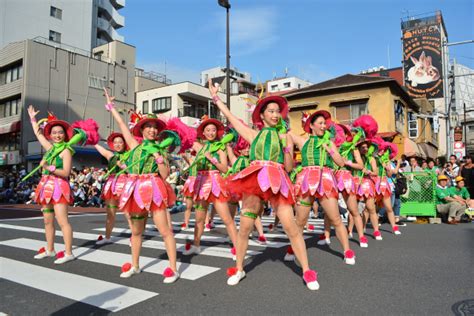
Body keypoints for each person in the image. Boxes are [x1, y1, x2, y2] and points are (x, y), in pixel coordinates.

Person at [208, 79, 320, 290]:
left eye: (278, 111)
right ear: (261, 114)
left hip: (278, 180)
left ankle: (307, 271)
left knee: (292, 227)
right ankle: (239, 268)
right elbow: (231, 118)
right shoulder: (253, 134)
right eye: (271, 111)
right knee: (245, 227)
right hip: (255, 180)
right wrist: (216, 97)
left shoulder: (284, 136)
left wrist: (288, 148)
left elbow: (288, 167)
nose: (276, 114)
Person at [104, 88, 179, 283]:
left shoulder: (161, 151)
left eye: (155, 127)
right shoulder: (135, 146)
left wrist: (159, 158)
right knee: (136, 232)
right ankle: (135, 265)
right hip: (135, 189)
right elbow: (121, 124)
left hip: (153, 188)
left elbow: (165, 175)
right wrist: (111, 106)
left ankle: (173, 267)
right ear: (142, 129)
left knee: (165, 231)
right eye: (148, 127)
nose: (152, 130)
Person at [291, 113, 356, 264]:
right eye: (319, 123)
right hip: (306, 180)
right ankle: (292, 249)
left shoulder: (329, 143)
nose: (323, 126)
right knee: (300, 221)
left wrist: (329, 149)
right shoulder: (302, 141)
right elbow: (284, 134)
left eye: (324, 124)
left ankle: (347, 251)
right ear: (311, 125)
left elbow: (340, 163)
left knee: (336, 219)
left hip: (325, 180)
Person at [182, 116, 238, 258]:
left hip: (215, 184)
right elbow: (184, 138)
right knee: (199, 219)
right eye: (208, 130)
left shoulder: (220, 148)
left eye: (213, 130)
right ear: (203, 133)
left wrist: (211, 158)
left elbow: (225, 169)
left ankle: (238, 247)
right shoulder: (200, 147)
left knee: (226, 219)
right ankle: (196, 245)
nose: (211, 133)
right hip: (201, 184)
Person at [27, 105, 75, 264]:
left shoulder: (66, 151)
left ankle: (68, 252)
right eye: (54, 133)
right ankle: (50, 249)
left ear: (65, 134)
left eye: (60, 132)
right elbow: (38, 133)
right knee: (47, 221)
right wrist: (33, 118)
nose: (57, 135)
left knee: (62, 221)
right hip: (45, 187)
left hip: (59, 187)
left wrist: (49, 167)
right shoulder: (50, 148)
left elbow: (66, 173)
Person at [94, 132, 132, 245]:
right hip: (111, 185)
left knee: (127, 212)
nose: (118, 144)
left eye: (120, 142)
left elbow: (133, 171)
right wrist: (91, 139)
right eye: (115, 142)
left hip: (125, 184)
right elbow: (98, 146)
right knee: (110, 213)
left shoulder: (130, 155)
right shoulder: (110, 155)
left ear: (125, 143)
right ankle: (107, 237)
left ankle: (134, 237)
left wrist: (124, 167)